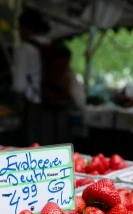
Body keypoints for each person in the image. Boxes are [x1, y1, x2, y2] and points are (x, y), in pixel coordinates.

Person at [13, 8, 85, 146]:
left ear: (25, 28)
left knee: (35, 153)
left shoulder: (24, 49)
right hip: (60, 109)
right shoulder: (54, 47)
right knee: (59, 152)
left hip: (37, 109)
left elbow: (19, 85)